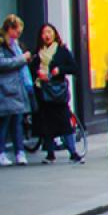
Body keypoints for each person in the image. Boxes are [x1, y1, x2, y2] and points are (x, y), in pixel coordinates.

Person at [0, 16, 32, 166]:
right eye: (17, 30)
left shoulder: (14, 45)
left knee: (17, 122)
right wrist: (22, 58)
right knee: (3, 122)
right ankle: (0, 153)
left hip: (15, 88)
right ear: (9, 28)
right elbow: (0, 63)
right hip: (2, 89)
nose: (18, 34)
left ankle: (19, 152)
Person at [31, 23, 82, 164]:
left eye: (49, 32)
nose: (47, 35)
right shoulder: (37, 53)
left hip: (57, 92)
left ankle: (73, 151)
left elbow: (74, 67)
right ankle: (50, 153)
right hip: (42, 91)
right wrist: (37, 73)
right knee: (46, 123)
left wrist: (59, 70)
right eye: (44, 33)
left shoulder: (62, 51)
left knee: (65, 121)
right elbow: (32, 69)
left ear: (54, 34)